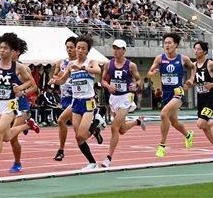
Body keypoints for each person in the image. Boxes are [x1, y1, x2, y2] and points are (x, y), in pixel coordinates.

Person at [0, 33, 39, 178]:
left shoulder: (19, 67)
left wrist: (20, 89)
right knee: (6, 137)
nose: (1, 50)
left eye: (5, 48)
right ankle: (28, 125)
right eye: (0, 47)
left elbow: (31, 83)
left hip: (11, 104)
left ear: (13, 51)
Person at [51, 34, 102, 171]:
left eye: (83, 48)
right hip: (75, 102)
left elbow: (98, 71)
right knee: (78, 137)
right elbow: (62, 80)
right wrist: (55, 81)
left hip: (88, 102)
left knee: (81, 134)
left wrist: (83, 69)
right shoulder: (71, 65)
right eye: (78, 48)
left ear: (87, 50)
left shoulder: (91, 62)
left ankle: (96, 123)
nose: (79, 51)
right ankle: (92, 163)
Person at [147, 32, 195, 157]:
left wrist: (191, 79)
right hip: (166, 93)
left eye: (169, 43)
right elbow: (149, 72)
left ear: (176, 45)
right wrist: (152, 74)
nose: (167, 45)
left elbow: (193, 67)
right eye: (165, 43)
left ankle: (162, 146)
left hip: (178, 93)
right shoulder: (159, 58)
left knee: (163, 114)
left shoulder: (183, 59)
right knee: (174, 123)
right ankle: (188, 135)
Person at [100, 39, 145, 167]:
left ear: (124, 50)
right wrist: (108, 86)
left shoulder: (131, 65)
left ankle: (108, 158)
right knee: (122, 130)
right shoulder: (108, 64)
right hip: (114, 97)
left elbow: (139, 80)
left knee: (114, 127)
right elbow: (103, 80)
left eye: (118, 48)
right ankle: (138, 121)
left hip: (126, 97)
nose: (115, 50)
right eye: (114, 48)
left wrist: (135, 85)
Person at [2, 37, 40, 174]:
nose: (6, 51)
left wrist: (22, 91)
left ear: (17, 52)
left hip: (21, 106)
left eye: (10, 49)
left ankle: (17, 163)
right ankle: (28, 125)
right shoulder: (1, 66)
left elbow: (34, 87)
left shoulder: (23, 68)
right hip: (7, 105)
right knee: (4, 134)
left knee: (12, 137)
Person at [186, 41, 213, 159]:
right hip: (200, 97)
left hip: (211, 96)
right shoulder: (194, 65)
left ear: (204, 51)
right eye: (195, 49)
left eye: (198, 49)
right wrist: (187, 85)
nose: (196, 51)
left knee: (200, 124)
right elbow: (194, 81)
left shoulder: (210, 64)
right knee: (205, 127)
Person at [52, 36, 78, 162]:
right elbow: (56, 75)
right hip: (65, 97)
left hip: (77, 97)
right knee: (78, 130)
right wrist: (56, 78)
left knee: (61, 120)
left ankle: (61, 150)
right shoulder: (61, 62)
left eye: (71, 48)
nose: (69, 50)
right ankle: (94, 129)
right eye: (67, 48)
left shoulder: (80, 63)